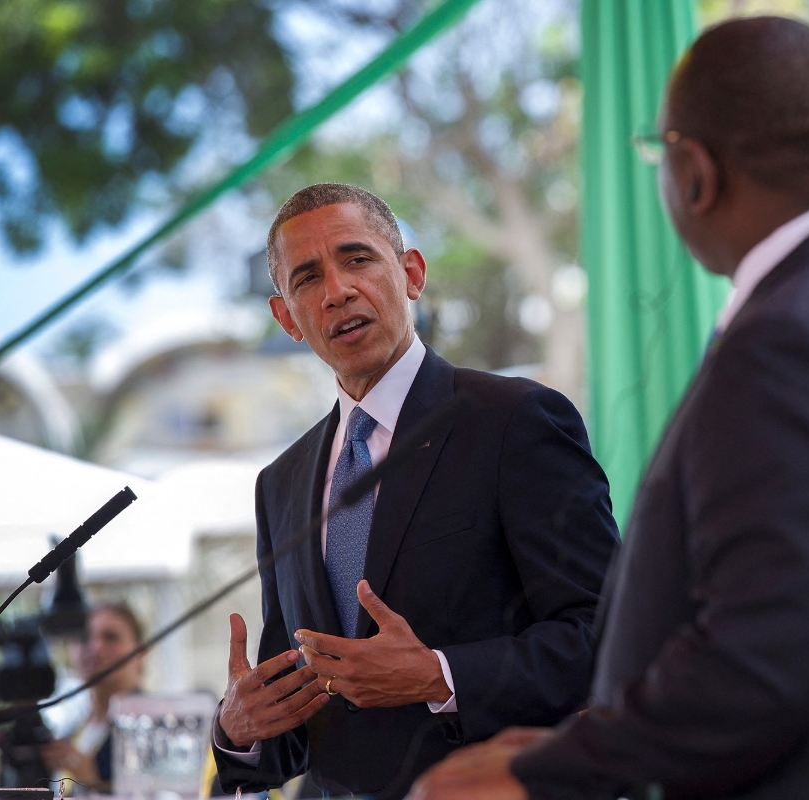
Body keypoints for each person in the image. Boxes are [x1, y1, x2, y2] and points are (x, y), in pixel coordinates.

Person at [409, 16, 809, 800]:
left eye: (658, 154)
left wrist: (550, 771)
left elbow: (763, 661)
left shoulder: (792, 340)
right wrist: (592, 731)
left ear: (695, 173)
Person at [211, 183, 619, 800]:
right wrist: (239, 729)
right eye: (307, 278)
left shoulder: (514, 420)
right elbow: (303, 716)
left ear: (411, 273)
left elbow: (607, 636)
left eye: (358, 259)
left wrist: (439, 674)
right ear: (287, 317)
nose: (338, 291)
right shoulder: (281, 484)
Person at [41, 604, 145, 794]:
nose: (95, 647)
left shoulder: (154, 726)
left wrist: (95, 782)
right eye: (84, 637)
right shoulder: (72, 730)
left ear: (141, 651)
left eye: (111, 637)